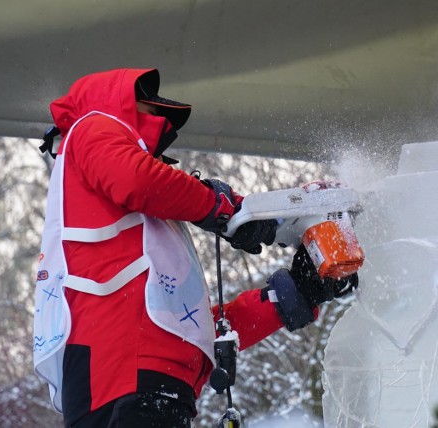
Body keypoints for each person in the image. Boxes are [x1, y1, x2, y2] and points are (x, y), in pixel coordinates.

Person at [33, 68, 357, 427]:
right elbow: (137, 179)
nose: (160, 127)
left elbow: (192, 329)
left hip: (148, 389)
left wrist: (292, 296)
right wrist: (223, 209)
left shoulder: (143, 242)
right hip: (122, 386)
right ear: (125, 104)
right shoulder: (94, 126)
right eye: (152, 113)